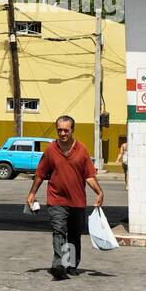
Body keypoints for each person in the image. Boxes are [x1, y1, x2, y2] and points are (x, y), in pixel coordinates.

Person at [27, 115, 104, 280]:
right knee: (59, 230)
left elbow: (89, 176)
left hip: (77, 201)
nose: (62, 133)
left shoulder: (82, 150)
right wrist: (32, 193)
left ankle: (71, 265)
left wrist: (99, 192)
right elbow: (40, 174)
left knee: (75, 235)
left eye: (66, 130)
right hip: (56, 200)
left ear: (72, 130)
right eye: (60, 130)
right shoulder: (50, 150)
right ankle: (59, 265)